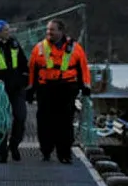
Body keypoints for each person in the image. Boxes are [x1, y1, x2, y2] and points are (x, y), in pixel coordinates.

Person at [26, 19, 92, 164]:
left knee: (65, 122)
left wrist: (86, 86)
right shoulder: (39, 48)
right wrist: (30, 88)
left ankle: (65, 154)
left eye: (52, 30)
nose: (49, 32)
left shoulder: (75, 48)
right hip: (45, 88)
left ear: (61, 31)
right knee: (44, 121)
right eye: (48, 30)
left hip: (66, 88)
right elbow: (32, 69)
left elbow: (83, 68)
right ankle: (46, 151)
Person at [0, 19, 29, 163]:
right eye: (5, 30)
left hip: (17, 86)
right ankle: (2, 150)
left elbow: (23, 62)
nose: (8, 32)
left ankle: (14, 144)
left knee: (20, 116)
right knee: (1, 118)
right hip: (0, 88)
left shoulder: (14, 44)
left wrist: (24, 78)